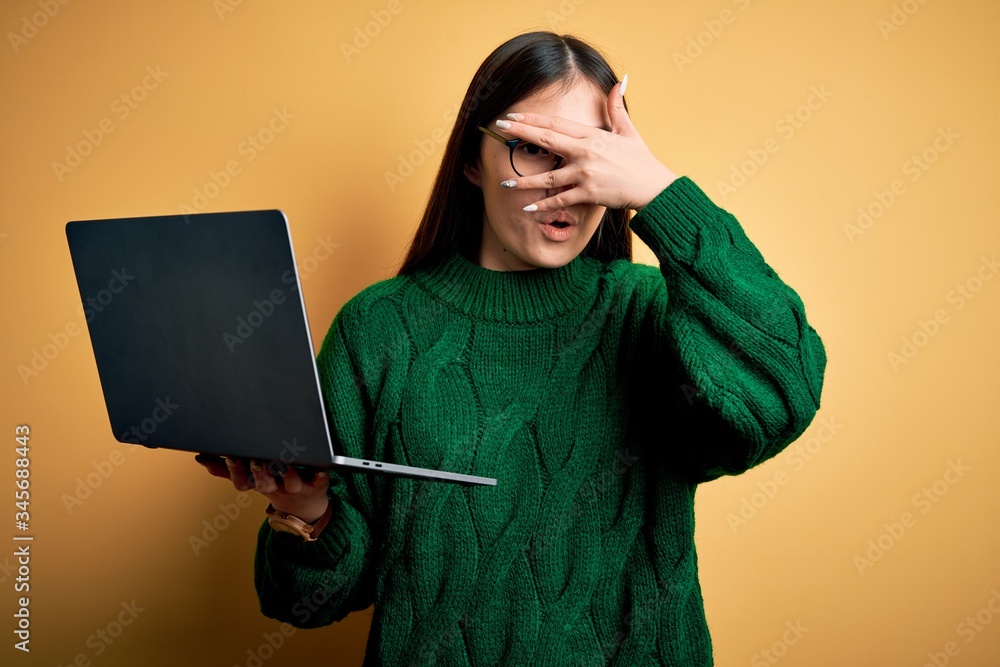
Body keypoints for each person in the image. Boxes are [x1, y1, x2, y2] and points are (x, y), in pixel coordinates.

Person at [198, 30, 827, 666]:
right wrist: (303, 507)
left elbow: (785, 391)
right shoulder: (379, 329)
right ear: (472, 160)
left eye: (589, 154)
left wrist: (661, 195)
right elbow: (310, 603)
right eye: (533, 149)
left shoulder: (652, 313)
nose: (565, 185)